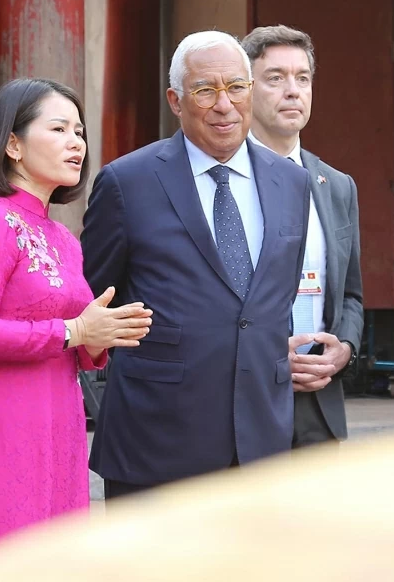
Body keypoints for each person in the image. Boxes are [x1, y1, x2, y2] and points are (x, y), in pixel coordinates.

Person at [0, 78, 152, 577]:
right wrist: (73, 332)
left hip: (60, 428)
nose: (77, 142)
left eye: (80, 131)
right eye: (59, 128)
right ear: (13, 144)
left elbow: (83, 335)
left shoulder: (65, 240)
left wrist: (103, 334)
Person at [83, 30, 312, 498]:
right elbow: (92, 298)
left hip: (261, 442)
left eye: (237, 87)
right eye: (205, 90)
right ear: (176, 99)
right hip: (156, 440)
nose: (224, 105)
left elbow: (272, 300)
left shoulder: (292, 182)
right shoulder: (128, 182)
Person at [241, 25, 364, 448]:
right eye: (276, 78)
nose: (293, 90)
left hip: (321, 400)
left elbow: (351, 294)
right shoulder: (222, 181)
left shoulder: (337, 185)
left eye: (303, 78)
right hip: (244, 398)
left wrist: (344, 348)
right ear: (246, 88)